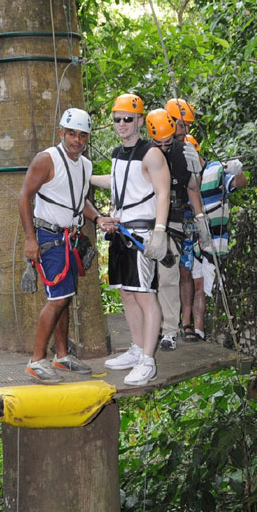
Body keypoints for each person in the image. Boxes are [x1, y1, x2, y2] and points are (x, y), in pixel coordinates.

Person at [18, 107, 113, 383]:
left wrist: (98, 218)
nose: (77, 140)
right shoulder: (47, 159)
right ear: (61, 132)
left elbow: (78, 200)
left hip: (69, 237)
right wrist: (30, 239)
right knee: (57, 298)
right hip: (48, 237)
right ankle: (36, 360)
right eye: (71, 134)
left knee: (64, 296)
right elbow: (24, 197)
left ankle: (61, 356)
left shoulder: (84, 165)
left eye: (82, 135)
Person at [90, 93, 171, 386]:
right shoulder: (117, 153)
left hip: (141, 233)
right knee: (127, 292)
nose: (122, 124)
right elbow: (118, 181)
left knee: (145, 295)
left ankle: (148, 360)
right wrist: (86, 176)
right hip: (121, 231)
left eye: (128, 119)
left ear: (139, 121)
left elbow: (163, 192)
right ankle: (137, 348)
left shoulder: (151, 153)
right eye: (117, 119)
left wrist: (160, 231)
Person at [145, 109, 211, 350]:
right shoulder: (144, 152)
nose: (163, 147)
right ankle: (153, 325)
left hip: (174, 219)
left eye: (167, 142)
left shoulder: (185, 153)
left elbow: (193, 190)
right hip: (148, 218)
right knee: (148, 277)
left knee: (171, 274)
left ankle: (170, 330)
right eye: (158, 143)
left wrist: (201, 220)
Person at [180, 139, 247, 340]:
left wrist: (237, 171)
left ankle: (212, 330)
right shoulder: (184, 176)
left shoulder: (215, 170)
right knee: (194, 282)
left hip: (214, 237)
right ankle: (194, 328)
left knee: (208, 285)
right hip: (193, 238)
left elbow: (238, 183)